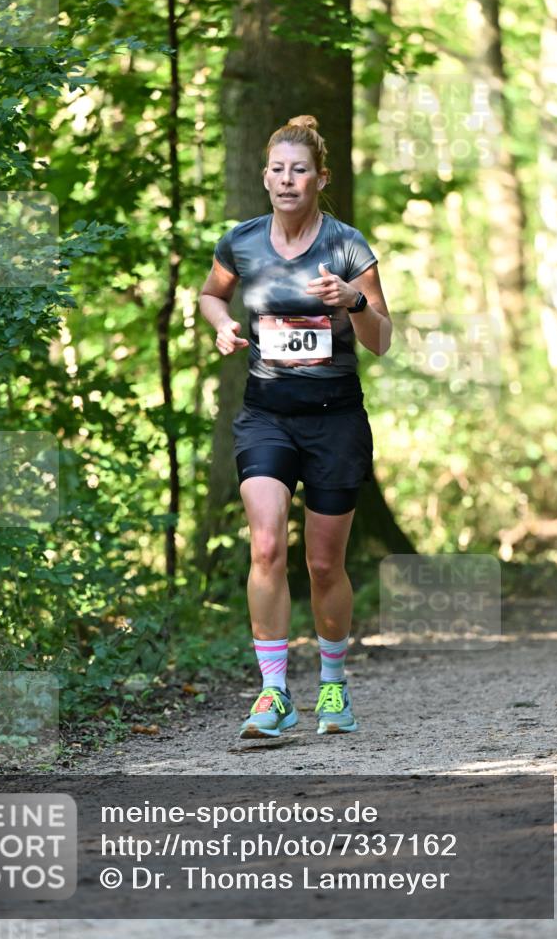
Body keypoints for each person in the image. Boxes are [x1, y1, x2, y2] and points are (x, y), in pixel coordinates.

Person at [199, 115, 392, 738]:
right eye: (278, 170)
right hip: (267, 416)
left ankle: (333, 687)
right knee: (265, 545)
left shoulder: (347, 246)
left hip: (335, 422)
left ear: (319, 178)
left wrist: (353, 303)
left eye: (299, 170)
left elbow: (382, 339)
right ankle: (274, 692)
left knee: (325, 564)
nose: (288, 180)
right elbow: (210, 294)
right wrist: (222, 325)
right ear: (265, 177)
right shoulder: (243, 241)